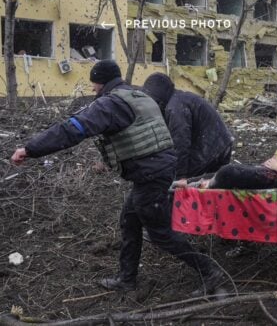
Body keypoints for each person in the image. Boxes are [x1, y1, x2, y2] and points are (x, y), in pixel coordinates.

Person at [10, 60, 223, 297]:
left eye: (94, 84)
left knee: (160, 233)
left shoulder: (111, 105)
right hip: (156, 170)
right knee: (129, 220)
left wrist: (30, 149)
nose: (92, 89)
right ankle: (126, 278)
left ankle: (209, 270)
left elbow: (73, 129)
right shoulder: (136, 94)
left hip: (151, 174)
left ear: (101, 83)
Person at [142, 72, 233, 179]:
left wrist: (180, 177)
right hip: (220, 143)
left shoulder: (175, 108)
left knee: (180, 180)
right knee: (208, 185)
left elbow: (181, 142)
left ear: (159, 101)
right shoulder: (178, 99)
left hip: (212, 148)